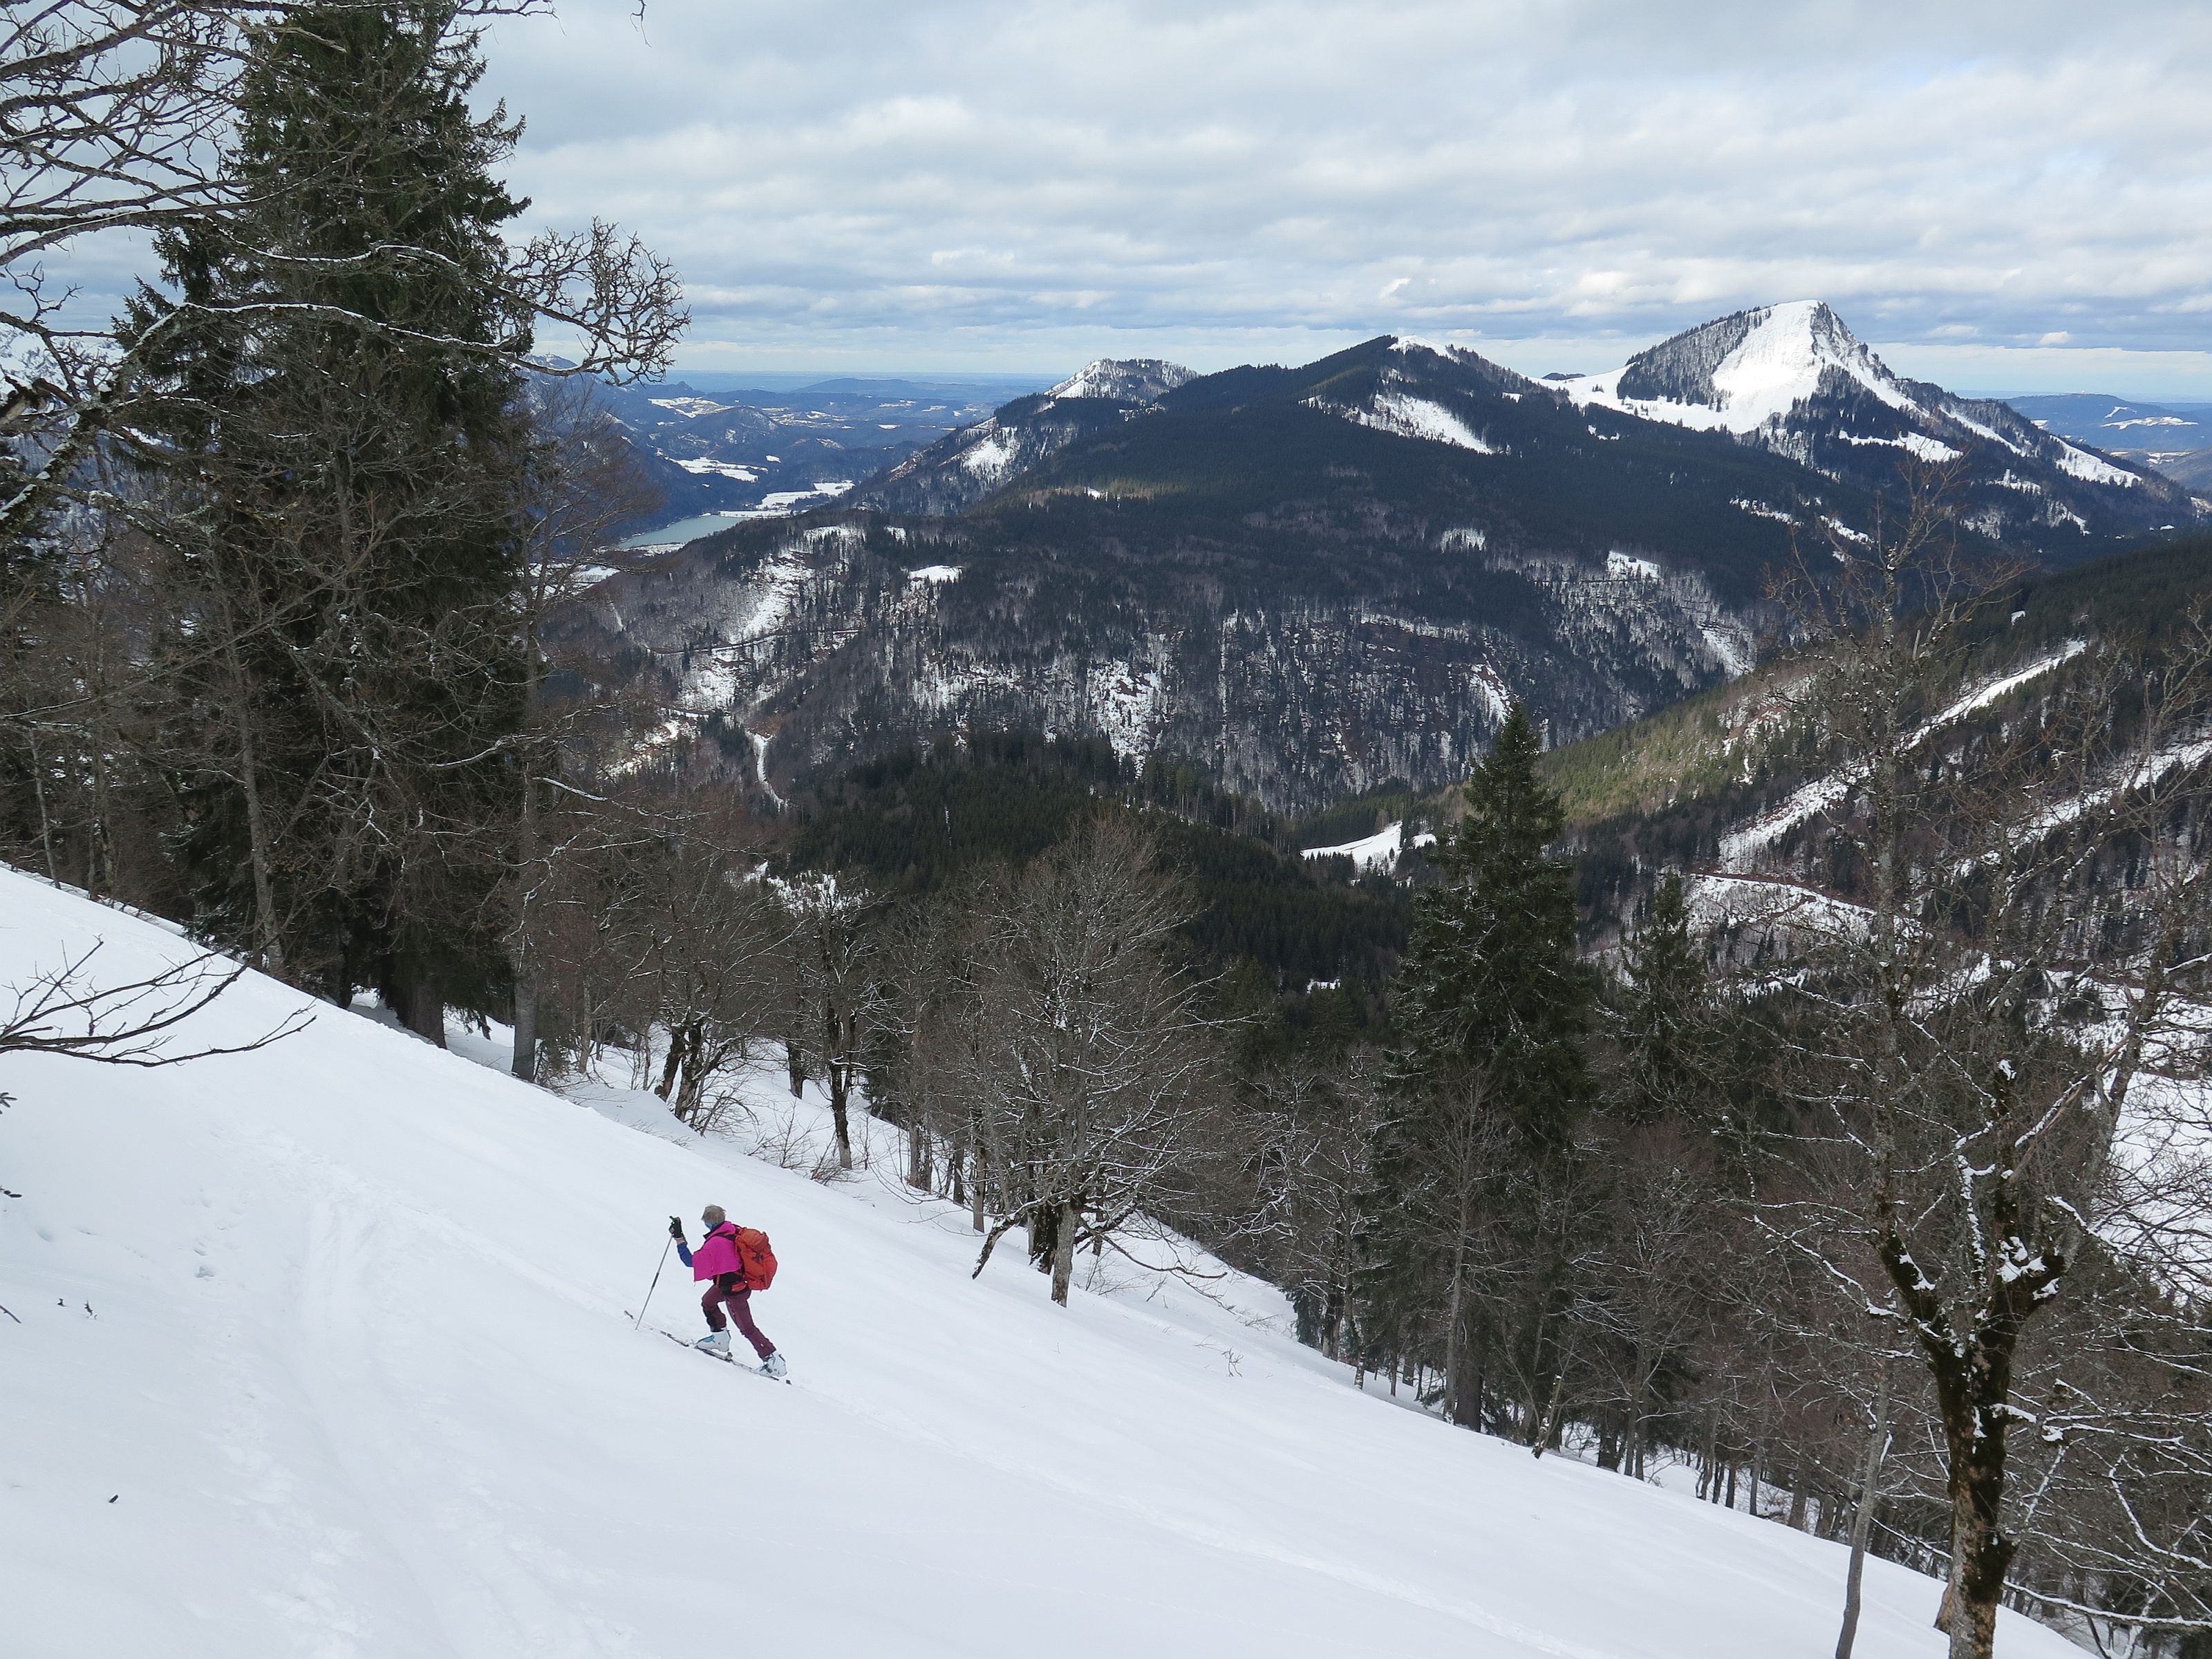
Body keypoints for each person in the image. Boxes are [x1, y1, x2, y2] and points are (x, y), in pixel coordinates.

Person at [672, 1205, 787, 1378]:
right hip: (728, 1283)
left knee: (747, 1328)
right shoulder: (731, 1230)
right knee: (708, 1302)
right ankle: (720, 1339)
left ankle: (774, 1361)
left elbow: (690, 1261)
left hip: (735, 1290)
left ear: (707, 1222)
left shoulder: (716, 1243)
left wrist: (679, 1238)